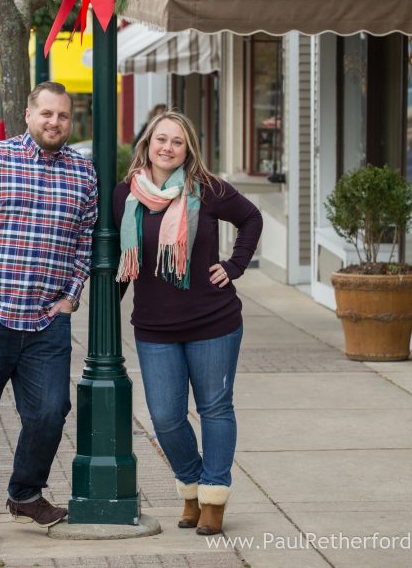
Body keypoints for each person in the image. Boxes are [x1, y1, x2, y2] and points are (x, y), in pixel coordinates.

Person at [0, 81, 97, 545]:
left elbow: (84, 239)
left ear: (71, 121)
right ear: (27, 115)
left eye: (63, 116)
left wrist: (71, 295)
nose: (54, 122)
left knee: (52, 410)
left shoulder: (82, 174)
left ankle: (25, 494)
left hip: (47, 320)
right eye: (46, 114)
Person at [113, 110, 262, 536]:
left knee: (215, 408)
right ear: (147, 143)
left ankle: (213, 496)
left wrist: (233, 265)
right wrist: (104, 306)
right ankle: (192, 485)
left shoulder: (208, 189)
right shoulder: (128, 193)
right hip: (155, 326)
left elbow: (251, 218)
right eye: (161, 139)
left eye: (177, 142)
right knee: (165, 416)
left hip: (213, 321)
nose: (167, 148)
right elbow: (124, 262)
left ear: (188, 148)